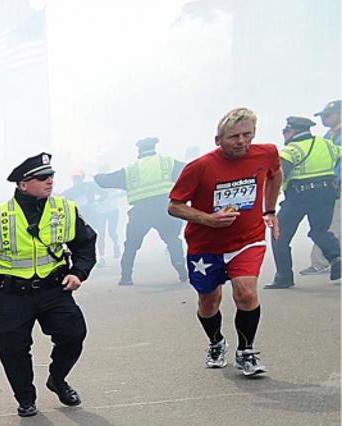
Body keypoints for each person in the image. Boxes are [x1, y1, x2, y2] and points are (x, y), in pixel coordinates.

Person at [0, 153, 97, 417]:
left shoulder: (65, 209)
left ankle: (58, 378)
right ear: (23, 184)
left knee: (73, 334)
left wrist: (79, 273)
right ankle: (25, 398)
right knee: (12, 348)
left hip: (54, 288)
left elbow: (86, 242)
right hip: (11, 295)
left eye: (52, 176)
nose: (50, 181)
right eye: (42, 178)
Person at [168, 107, 280, 376]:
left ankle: (246, 351)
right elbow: (174, 206)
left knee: (246, 292)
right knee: (209, 301)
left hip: (248, 239)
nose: (241, 141)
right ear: (218, 140)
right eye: (234, 137)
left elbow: (275, 175)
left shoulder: (267, 153)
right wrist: (208, 219)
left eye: (247, 135)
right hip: (206, 246)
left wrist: (270, 210)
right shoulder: (199, 167)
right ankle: (216, 342)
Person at [95, 137, 188, 286]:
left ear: (139, 151)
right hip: (165, 208)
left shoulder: (131, 169)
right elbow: (189, 170)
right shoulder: (167, 162)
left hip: (141, 211)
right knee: (172, 239)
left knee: (131, 244)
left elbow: (106, 181)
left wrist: (97, 177)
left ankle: (126, 277)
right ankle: (181, 269)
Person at [266, 116, 340, 288]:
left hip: (299, 196)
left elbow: (280, 175)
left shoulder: (291, 150)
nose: (284, 135)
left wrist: (270, 200)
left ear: (293, 131)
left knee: (279, 235)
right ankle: (336, 257)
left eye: (285, 131)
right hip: (326, 194)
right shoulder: (328, 144)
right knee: (319, 231)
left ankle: (284, 277)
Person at [304, 99, 341, 276]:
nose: (323, 119)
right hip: (329, 185)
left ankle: (322, 262)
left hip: (336, 184)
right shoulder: (330, 135)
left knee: (329, 224)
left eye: (327, 115)